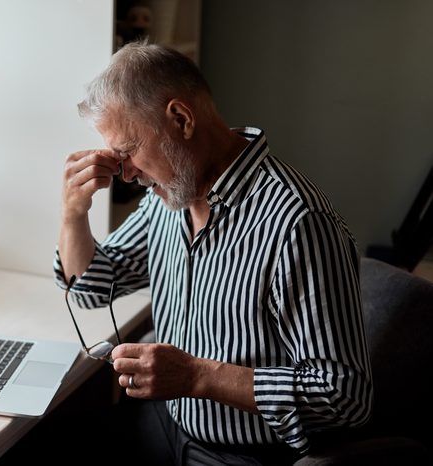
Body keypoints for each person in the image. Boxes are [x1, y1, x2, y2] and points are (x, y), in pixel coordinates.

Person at [53, 41, 373, 465]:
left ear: (181, 119)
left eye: (128, 152)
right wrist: (74, 213)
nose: (126, 174)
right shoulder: (167, 199)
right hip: (167, 424)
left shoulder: (297, 223)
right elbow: (91, 287)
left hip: (243, 454)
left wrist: (194, 376)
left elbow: (344, 395)